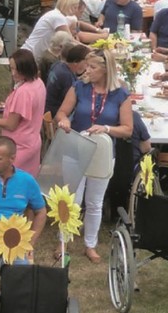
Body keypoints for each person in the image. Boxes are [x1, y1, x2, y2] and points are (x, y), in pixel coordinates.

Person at [55, 49, 133, 263]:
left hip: (103, 152)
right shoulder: (79, 87)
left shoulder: (121, 94)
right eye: (86, 65)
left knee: (95, 202)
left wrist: (107, 128)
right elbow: (61, 112)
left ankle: (90, 244)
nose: (86, 70)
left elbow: (127, 129)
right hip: (77, 148)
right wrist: (65, 120)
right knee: (72, 200)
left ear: (106, 69)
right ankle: (63, 242)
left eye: (92, 67)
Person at [0, 49, 46, 176]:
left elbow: (11, 125)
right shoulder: (38, 83)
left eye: (15, 69)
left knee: (7, 180)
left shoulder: (23, 92)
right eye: (11, 69)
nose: (12, 73)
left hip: (18, 146)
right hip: (32, 141)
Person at [21, 0, 78, 65]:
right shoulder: (58, 18)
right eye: (75, 7)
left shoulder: (54, 14)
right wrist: (87, 48)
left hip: (28, 52)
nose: (76, 10)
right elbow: (70, 40)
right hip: (32, 55)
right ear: (68, 6)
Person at [45, 43, 90, 117]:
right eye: (86, 63)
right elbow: (74, 100)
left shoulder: (58, 65)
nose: (87, 67)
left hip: (48, 106)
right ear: (76, 62)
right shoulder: (66, 76)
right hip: (56, 113)